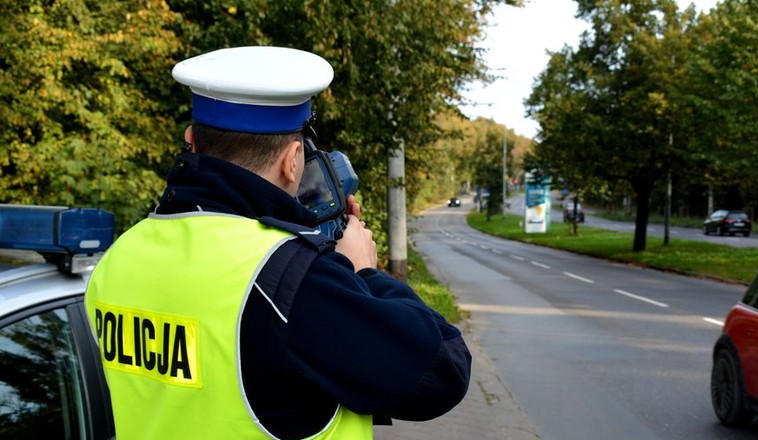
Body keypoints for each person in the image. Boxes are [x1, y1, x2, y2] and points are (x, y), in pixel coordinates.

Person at [85, 46, 471, 439]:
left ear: (191, 140)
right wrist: (363, 272)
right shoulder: (290, 282)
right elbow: (443, 371)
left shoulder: (117, 259)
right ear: (292, 160)